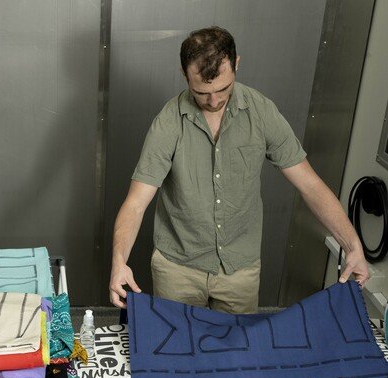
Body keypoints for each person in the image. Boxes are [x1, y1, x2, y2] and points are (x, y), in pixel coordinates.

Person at [109, 26, 369, 314]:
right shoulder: (168, 123)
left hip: (239, 269)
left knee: (238, 355)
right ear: (184, 74)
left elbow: (309, 185)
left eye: (223, 89)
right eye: (201, 92)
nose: (214, 101)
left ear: (237, 64)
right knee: (180, 354)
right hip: (177, 268)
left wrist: (353, 245)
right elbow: (135, 204)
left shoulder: (262, 112)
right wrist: (119, 262)